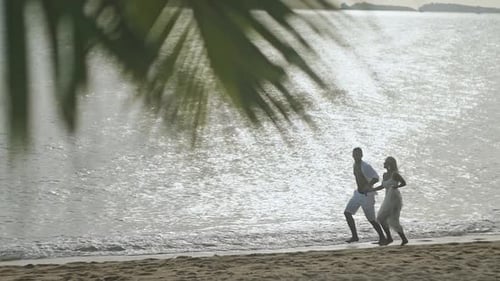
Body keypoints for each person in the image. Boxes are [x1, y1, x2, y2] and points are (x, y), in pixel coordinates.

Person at [344, 147, 387, 245]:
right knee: (347, 213)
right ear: (352, 155)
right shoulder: (355, 164)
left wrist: (368, 186)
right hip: (358, 194)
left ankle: (382, 238)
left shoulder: (366, 166)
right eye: (354, 154)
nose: (356, 156)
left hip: (367, 196)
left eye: (358, 154)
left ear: (361, 155)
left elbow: (376, 177)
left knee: (371, 219)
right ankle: (355, 236)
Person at [371, 156, 408, 245]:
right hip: (388, 198)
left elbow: (404, 183)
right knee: (381, 218)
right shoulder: (384, 175)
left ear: (389, 164)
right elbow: (382, 186)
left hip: (394, 198)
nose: (383, 163)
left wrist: (397, 186)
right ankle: (391, 238)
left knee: (391, 219)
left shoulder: (395, 174)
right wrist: (372, 189)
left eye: (385, 162)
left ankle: (400, 239)